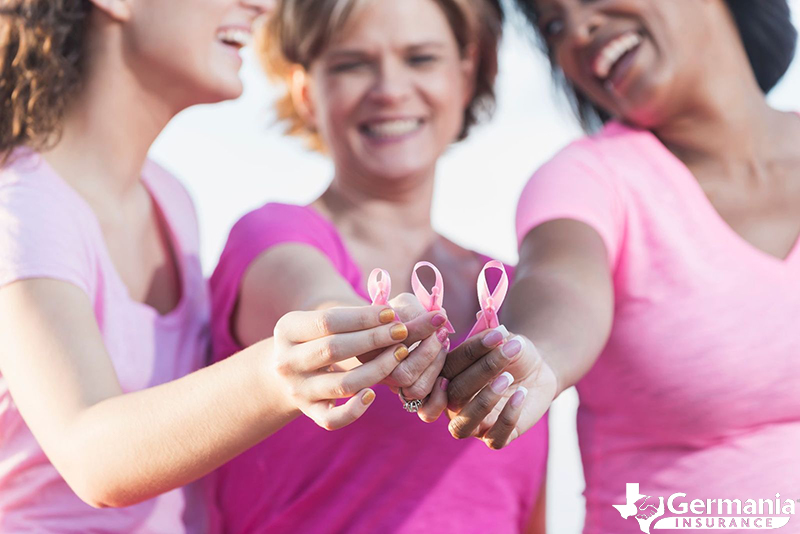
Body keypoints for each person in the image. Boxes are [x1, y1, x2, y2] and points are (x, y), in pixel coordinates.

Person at [0, 1, 416, 531]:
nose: (261, 6)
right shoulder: (21, 207)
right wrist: (279, 373)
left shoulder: (171, 199)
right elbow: (90, 453)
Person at [442, 0, 800, 532]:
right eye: (554, 26)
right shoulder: (587, 180)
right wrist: (536, 356)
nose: (579, 30)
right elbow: (561, 282)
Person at [209, 0, 548, 532]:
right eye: (351, 64)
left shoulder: (510, 287)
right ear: (306, 93)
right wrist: (382, 331)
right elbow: (320, 308)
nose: (390, 89)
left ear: (465, 75)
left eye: (420, 58)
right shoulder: (272, 238)